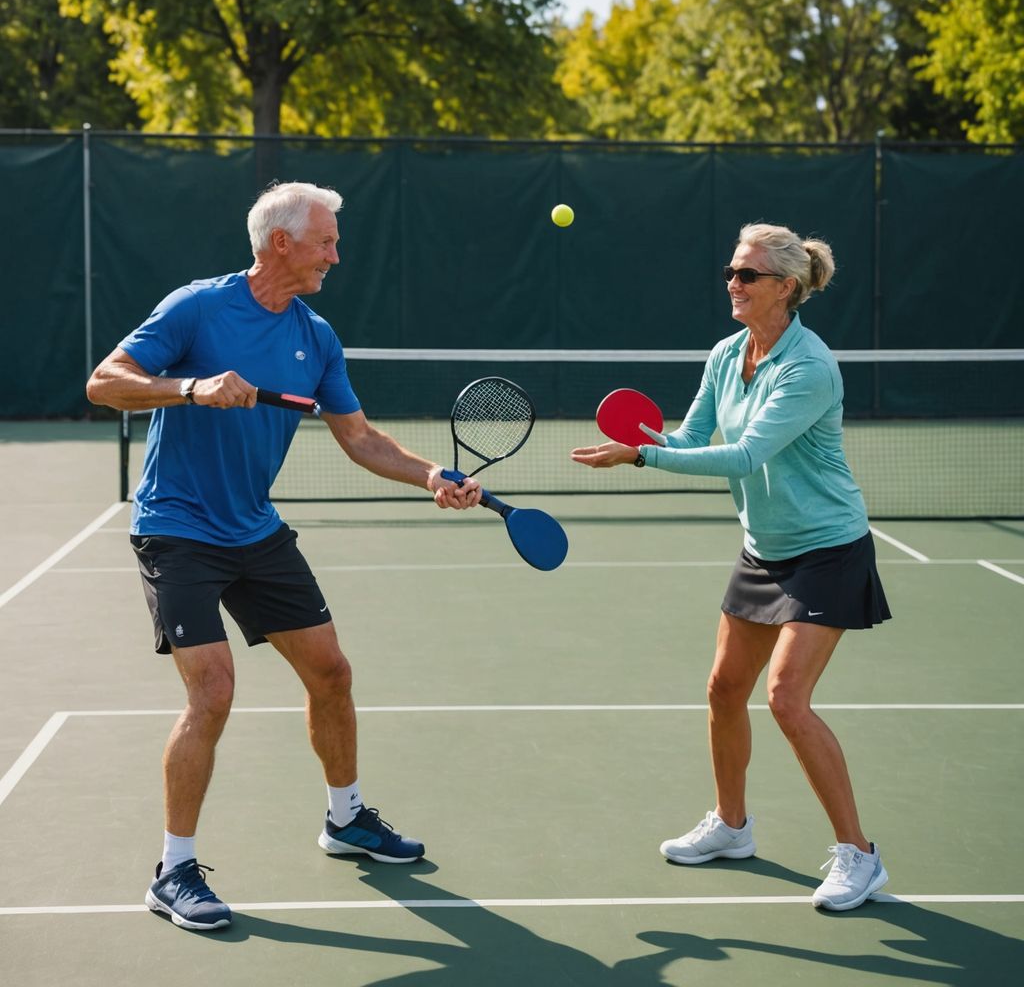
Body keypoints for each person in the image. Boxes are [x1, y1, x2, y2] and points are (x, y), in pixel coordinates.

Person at [86, 182, 482, 932]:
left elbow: (359, 438)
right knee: (214, 692)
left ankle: (346, 818)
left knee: (331, 672)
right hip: (177, 527)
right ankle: (172, 870)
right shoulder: (197, 308)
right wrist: (194, 387)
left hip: (254, 528)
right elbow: (105, 383)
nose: (336, 253)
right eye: (326, 241)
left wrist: (431, 475)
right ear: (281, 244)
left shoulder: (316, 335)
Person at [571, 223, 892, 912]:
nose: (733, 284)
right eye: (730, 272)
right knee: (723, 690)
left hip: (828, 549)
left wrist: (642, 459)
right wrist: (644, 440)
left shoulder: (808, 367)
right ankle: (732, 827)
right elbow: (691, 437)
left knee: (785, 698)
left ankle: (859, 856)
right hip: (763, 547)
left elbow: (744, 454)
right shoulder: (726, 354)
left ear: (787, 287)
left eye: (747, 275)